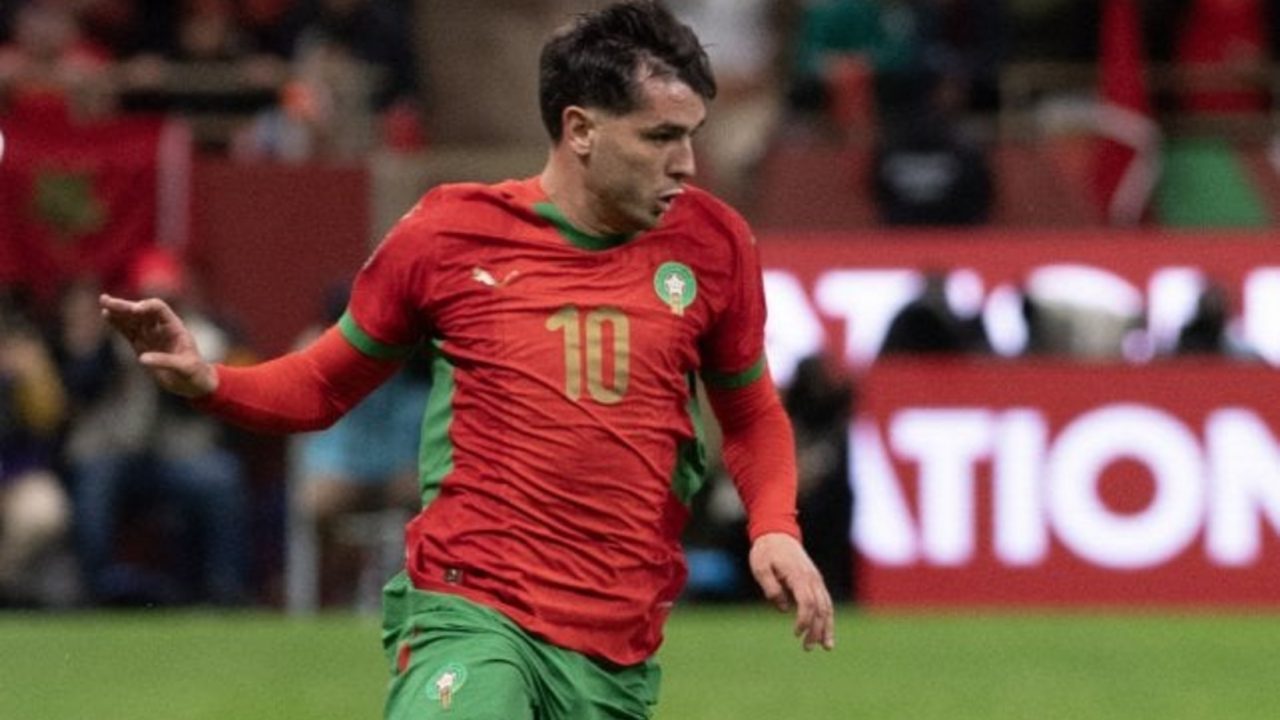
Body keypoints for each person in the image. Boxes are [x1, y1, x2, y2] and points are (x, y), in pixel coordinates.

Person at [100, 2, 835, 718]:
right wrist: (211, 381)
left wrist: (774, 525)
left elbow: (748, 410)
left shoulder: (714, 243)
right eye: (661, 137)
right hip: (472, 604)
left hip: (616, 638)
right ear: (580, 129)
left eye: (692, 135)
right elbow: (324, 383)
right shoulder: (450, 234)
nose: (687, 164)